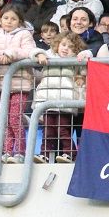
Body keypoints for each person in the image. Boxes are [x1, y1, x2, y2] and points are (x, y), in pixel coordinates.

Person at [0, 4, 37, 164]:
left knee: (14, 118)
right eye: (6, 18)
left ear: (20, 21)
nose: (9, 21)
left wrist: (11, 54)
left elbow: (29, 51)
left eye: (13, 19)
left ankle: (20, 152)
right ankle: (6, 151)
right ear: (0, 19)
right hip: (2, 84)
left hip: (20, 84)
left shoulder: (24, 34)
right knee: (4, 119)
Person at [31, 32, 87, 163]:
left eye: (71, 47)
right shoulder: (49, 55)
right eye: (63, 44)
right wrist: (39, 55)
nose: (66, 48)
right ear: (57, 44)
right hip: (47, 101)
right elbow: (33, 51)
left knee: (63, 130)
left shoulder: (76, 61)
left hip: (65, 102)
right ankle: (44, 154)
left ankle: (70, 153)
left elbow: (87, 62)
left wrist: (84, 55)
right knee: (48, 130)